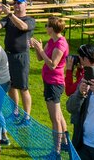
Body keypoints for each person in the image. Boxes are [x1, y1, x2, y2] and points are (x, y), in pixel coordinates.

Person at [31, 16, 69, 155]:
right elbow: (40, 58)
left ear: (52, 28)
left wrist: (40, 49)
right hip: (49, 82)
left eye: (47, 25)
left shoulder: (60, 44)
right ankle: (65, 143)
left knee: (55, 119)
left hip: (55, 83)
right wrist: (37, 48)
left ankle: (56, 151)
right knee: (59, 116)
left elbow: (52, 65)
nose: (45, 27)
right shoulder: (52, 40)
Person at [0, 0, 36, 121]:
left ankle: (27, 117)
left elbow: (23, 27)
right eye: (15, 4)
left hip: (21, 57)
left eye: (19, 3)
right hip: (8, 56)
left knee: (23, 87)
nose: (17, 6)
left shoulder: (29, 20)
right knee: (11, 86)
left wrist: (10, 15)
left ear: (25, 5)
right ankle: (15, 111)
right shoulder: (8, 19)